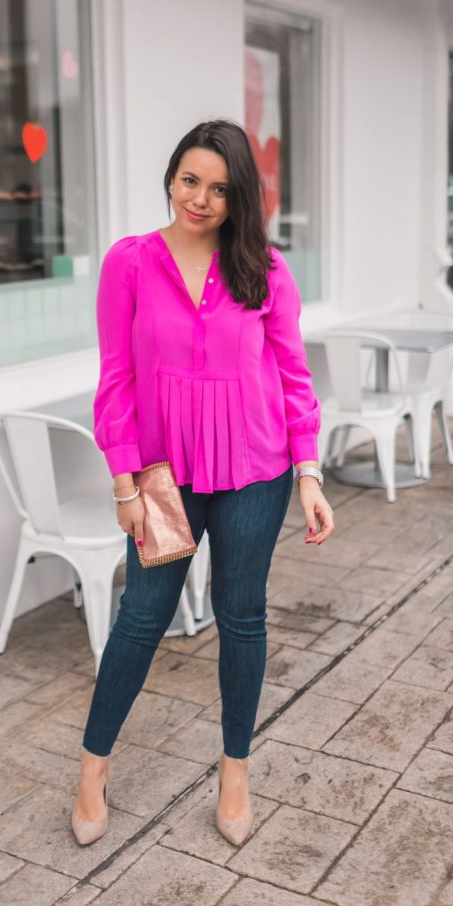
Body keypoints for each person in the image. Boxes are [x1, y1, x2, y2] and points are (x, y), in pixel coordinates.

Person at [71, 119, 334, 847]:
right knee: (141, 618)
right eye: (190, 180)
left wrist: (309, 475)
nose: (200, 198)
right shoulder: (129, 262)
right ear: (171, 179)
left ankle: (235, 771)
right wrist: (124, 484)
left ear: (238, 196)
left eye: (219, 188)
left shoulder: (265, 270)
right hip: (161, 480)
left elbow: (292, 376)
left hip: (257, 473)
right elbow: (116, 381)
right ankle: (93, 769)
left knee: (242, 618)